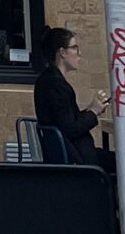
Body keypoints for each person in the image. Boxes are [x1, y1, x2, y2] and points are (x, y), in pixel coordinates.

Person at [35, 26, 106, 166]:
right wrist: (93, 112)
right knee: (124, 161)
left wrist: (91, 109)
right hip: (77, 158)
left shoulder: (49, 80)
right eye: (74, 48)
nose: (79, 53)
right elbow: (70, 129)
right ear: (62, 52)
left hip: (72, 154)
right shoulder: (56, 85)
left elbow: (65, 120)